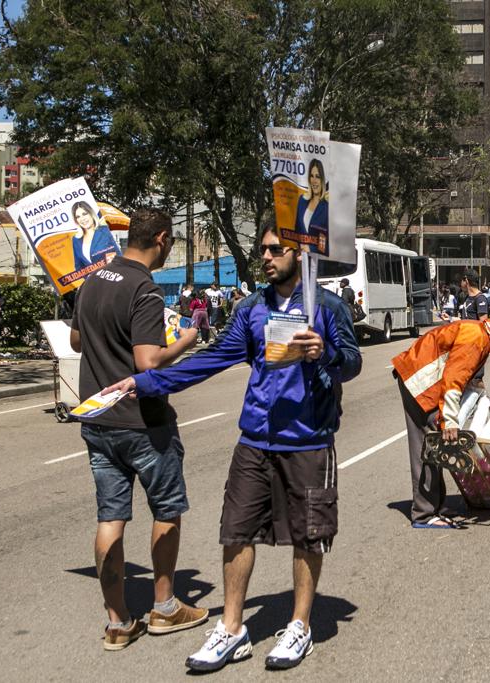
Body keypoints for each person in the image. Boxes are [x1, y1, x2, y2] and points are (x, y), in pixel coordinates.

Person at [105, 227, 361, 672]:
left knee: (308, 535)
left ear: (299, 253)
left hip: (309, 441)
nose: (266, 256)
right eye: (262, 249)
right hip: (255, 440)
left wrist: (326, 353)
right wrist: (146, 383)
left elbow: (353, 362)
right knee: (236, 531)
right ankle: (232, 628)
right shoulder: (251, 309)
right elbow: (212, 359)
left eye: (275, 249)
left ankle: (299, 624)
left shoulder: (328, 307)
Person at [68, 209, 205, 652]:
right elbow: (148, 361)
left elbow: (76, 341)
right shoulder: (144, 289)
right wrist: (185, 340)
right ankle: (164, 607)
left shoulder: (93, 279)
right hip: (143, 422)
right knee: (166, 509)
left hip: (97, 419)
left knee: (110, 517)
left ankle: (118, 622)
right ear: (161, 239)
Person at [393, 309, 490, 528]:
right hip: (420, 383)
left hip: (425, 379)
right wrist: (450, 421)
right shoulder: (476, 338)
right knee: (427, 444)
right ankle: (424, 513)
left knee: (435, 445)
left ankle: (436, 505)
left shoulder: (482, 333)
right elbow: (453, 379)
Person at [71, 201, 119, 271]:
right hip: (92, 278)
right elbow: (78, 266)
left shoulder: (105, 231)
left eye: (84, 214)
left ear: (91, 214)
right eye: (78, 217)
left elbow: (118, 256)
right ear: (76, 220)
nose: (82, 219)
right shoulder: (76, 239)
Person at [294, 159, 330, 249]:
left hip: (320, 257)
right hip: (301, 256)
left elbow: (330, 242)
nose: (314, 180)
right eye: (311, 176)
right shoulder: (302, 200)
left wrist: (310, 248)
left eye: (318, 176)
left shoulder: (327, 206)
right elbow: (297, 231)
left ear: (322, 179)